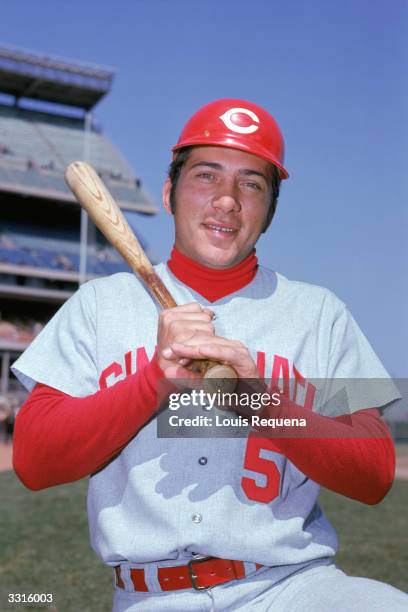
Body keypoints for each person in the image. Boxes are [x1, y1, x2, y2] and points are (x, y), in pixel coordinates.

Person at [11, 99, 408, 611]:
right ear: (169, 192)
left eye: (252, 183)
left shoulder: (318, 312)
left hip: (293, 585)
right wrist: (153, 383)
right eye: (206, 175)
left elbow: (375, 473)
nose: (227, 200)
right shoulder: (99, 304)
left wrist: (259, 403)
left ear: (269, 210)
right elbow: (34, 462)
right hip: (151, 597)